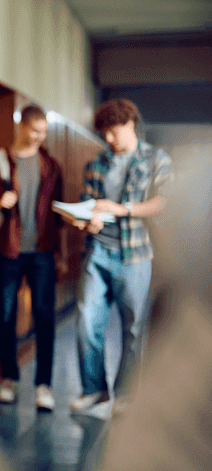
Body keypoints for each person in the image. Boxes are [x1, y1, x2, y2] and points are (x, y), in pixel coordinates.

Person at [69, 98, 172, 413]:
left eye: (113, 132)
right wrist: (85, 218)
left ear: (130, 124)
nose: (108, 139)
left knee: (133, 327)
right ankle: (93, 391)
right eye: (104, 134)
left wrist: (121, 209)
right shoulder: (96, 164)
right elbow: (88, 202)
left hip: (136, 254)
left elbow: (162, 202)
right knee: (87, 322)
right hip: (98, 251)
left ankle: (126, 396)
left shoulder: (156, 158)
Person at [0, 105, 65, 410]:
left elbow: (57, 214)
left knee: (44, 317)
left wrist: (60, 254)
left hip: (43, 253)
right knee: (7, 318)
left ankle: (44, 386)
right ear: (21, 126)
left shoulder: (51, 164)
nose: (39, 136)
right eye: (35, 130)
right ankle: (8, 379)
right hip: (8, 251)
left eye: (44, 132)